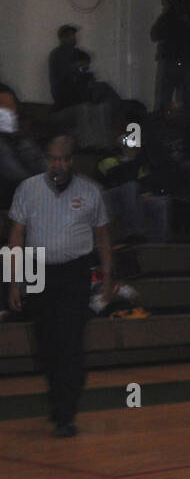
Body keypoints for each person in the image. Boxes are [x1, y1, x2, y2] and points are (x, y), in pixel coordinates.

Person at [7, 134, 114, 436]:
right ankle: (58, 402)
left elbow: (103, 239)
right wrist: (13, 281)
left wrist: (107, 277)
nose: (59, 164)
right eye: (54, 158)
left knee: (70, 343)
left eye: (65, 158)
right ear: (45, 158)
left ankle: (67, 413)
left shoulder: (91, 192)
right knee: (46, 344)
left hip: (74, 273)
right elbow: (16, 237)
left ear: (72, 159)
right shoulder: (27, 189)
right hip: (38, 270)